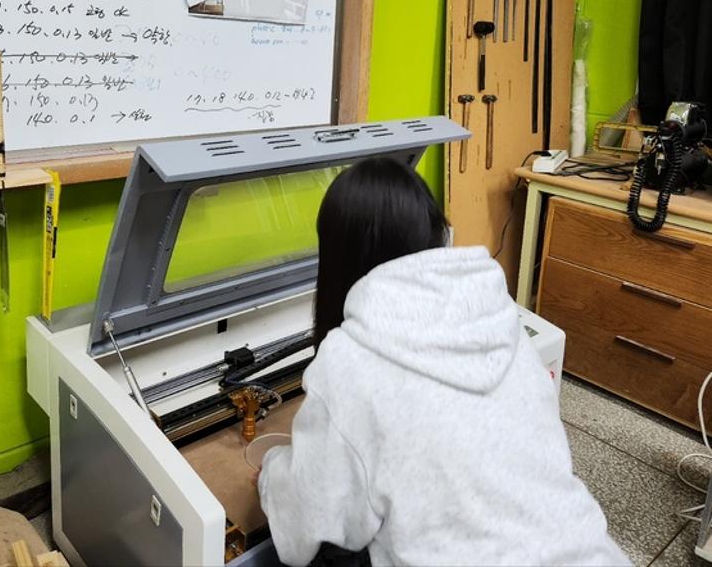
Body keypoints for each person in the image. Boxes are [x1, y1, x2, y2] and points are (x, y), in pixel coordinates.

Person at [257, 156, 629, 567]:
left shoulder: (347, 361)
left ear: (338, 256)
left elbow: (301, 534)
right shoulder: (499, 319)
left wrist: (272, 471)